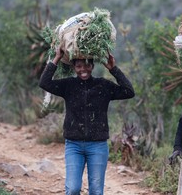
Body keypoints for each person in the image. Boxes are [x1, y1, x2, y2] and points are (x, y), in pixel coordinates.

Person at [39, 47, 135, 195]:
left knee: (96, 191)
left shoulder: (104, 86)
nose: (83, 69)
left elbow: (129, 92)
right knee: (72, 189)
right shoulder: (68, 85)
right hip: (74, 146)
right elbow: (44, 83)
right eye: (78, 66)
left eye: (87, 65)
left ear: (93, 66)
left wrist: (113, 69)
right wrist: (57, 58)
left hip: (98, 146)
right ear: (73, 67)